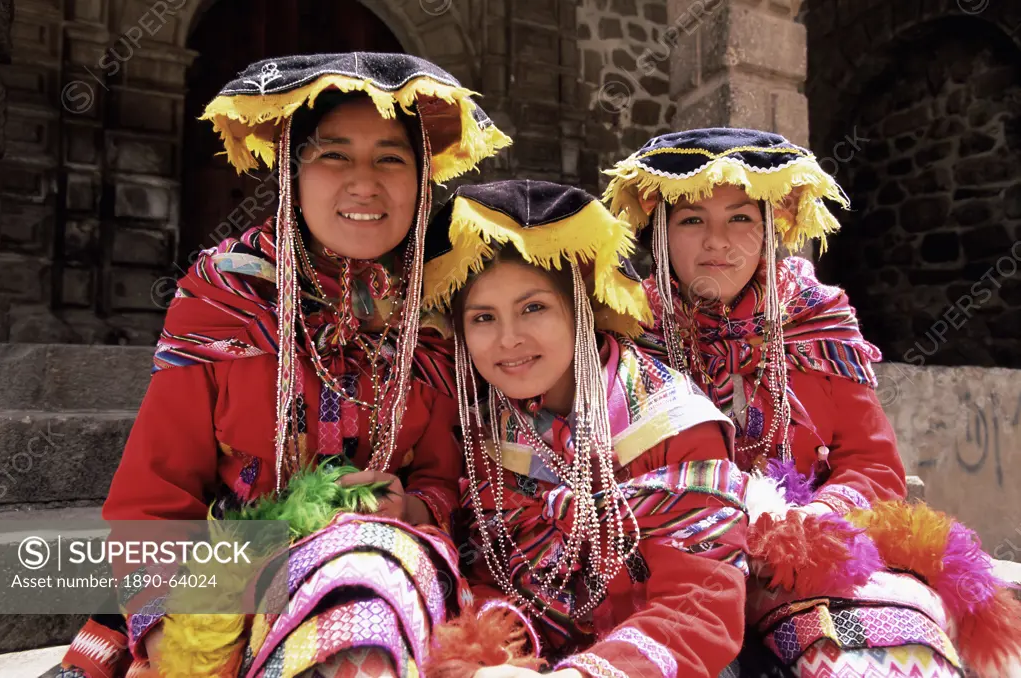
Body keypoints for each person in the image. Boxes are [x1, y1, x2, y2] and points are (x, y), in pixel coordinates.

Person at [58, 52, 511, 678]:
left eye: (390, 158)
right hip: (234, 579)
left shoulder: (428, 321)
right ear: (293, 174)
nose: (364, 182)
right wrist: (173, 630)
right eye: (333, 155)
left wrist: (412, 509)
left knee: (372, 576)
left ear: (423, 178)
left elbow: (443, 478)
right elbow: (155, 495)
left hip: (386, 579)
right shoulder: (227, 297)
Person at [602, 128, 1021, 677]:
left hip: (811, 563)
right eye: (691, 220)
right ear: (660, 230)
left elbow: (872, 464)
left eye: (741, 219)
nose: (716, 241)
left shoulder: (817, 322)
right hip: (676, 568)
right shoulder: (625, 333)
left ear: (772, 228)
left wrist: (814, 521)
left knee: (880, 656)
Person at [420, 180, 751, 678]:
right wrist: (496, 658)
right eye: (483, 318)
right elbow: (487, 574)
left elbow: (700, 601)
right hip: (261, 547)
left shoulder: (669, 421)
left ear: (581, 310)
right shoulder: (484, 432)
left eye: (534, 308)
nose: (509, 339)